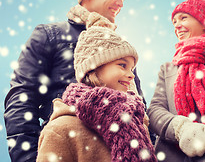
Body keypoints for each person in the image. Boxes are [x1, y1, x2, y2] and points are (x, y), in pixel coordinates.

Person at [4, 0, 145, 162]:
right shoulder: (50, 35)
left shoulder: (121, 48)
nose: (121, 3)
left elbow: (139, 102)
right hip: (69, 148)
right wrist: (29, 157)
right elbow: (22, 97)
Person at [37, 13, 157, 162]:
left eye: (131, 69)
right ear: (94, 67)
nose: (131, 75)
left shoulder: (136, 123)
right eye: (122, 65)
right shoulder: (61, 130)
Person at [147, 0, 205, 161]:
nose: (177, 25)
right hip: (173, 155)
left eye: (183, 18)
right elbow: (155, 111)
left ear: (204, 23)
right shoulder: (168, 68)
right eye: (174, 21)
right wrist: (182, 129)